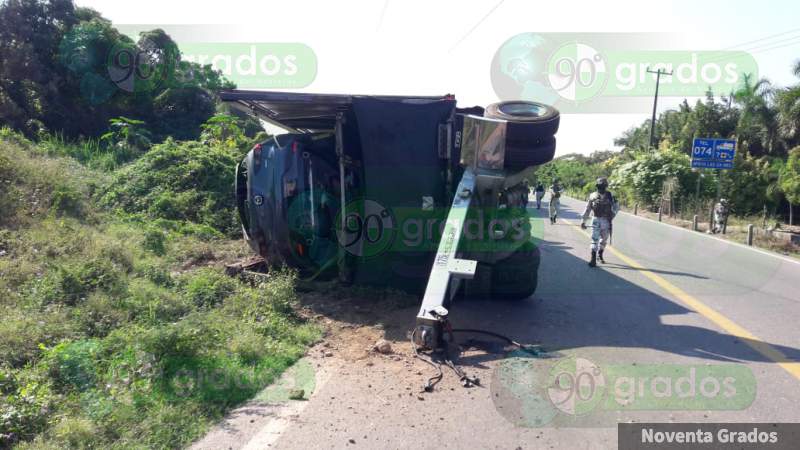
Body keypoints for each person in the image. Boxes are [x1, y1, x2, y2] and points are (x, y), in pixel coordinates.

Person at [580, 177, 618, 267]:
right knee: (603, 240)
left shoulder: (592, 195)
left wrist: (583, 221)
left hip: (596, 220)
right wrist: (612, 216)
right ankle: (599, 256)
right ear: (606, 186)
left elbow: (587, 209)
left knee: (595, 240)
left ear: (597, 186)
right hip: (606, 221)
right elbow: (616, 208)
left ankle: (594, 259)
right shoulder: (611, 195)